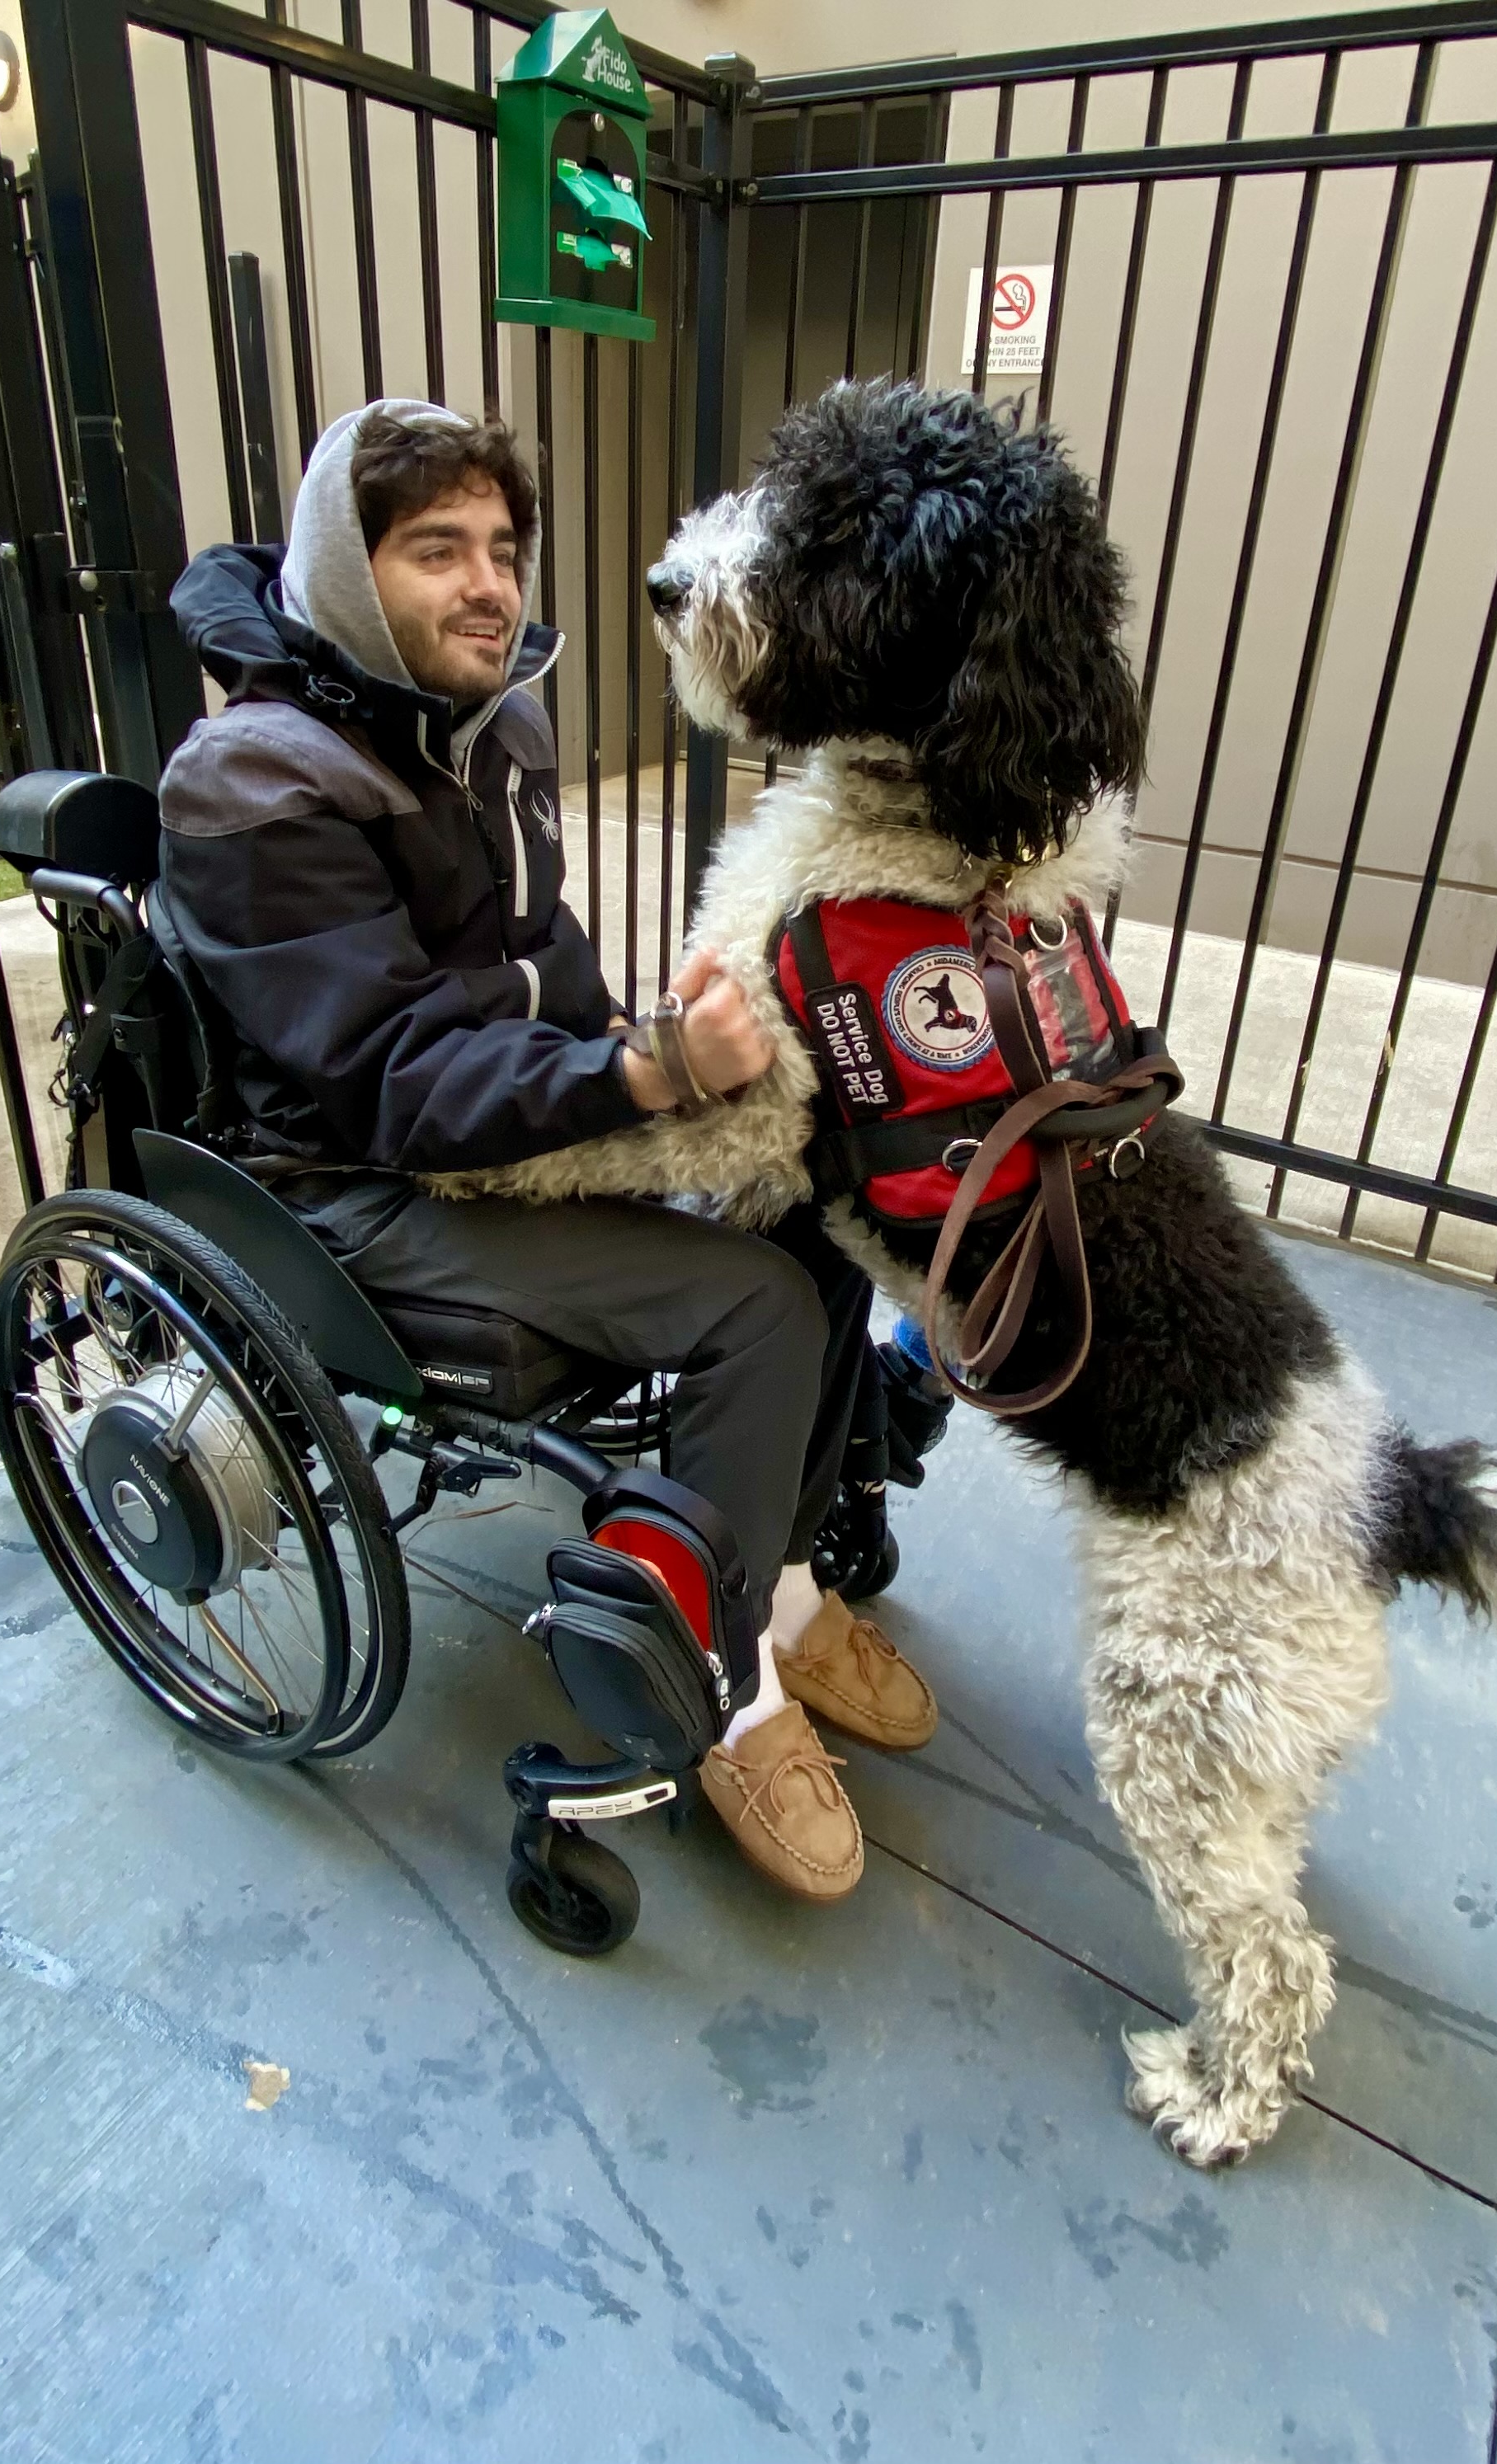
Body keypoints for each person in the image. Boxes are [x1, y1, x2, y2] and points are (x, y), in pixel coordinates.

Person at [155, 397, 939, 1902]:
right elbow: (389, 1081)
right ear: (348, 572)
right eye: (435, 549)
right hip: (354, 1188)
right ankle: (729, 1693)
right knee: (753, 1306)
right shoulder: (255, 779)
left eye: (502, 550)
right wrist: (642, 1076)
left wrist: (653, 1067)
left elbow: (544, 974)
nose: (488, 586)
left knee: (810, 1203)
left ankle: (778, 1591)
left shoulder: (488, 724)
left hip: (497, 1141)